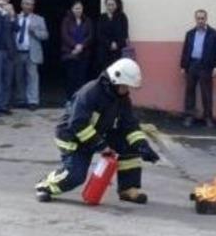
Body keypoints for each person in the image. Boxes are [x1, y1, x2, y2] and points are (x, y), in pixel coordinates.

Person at [35, 58, 161, 204]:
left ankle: (128, 189)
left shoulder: (121, 97)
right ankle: (45, 186)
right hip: (72, 138)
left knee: (129, 145)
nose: (127, 90)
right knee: (76, 176)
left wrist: (142, 145)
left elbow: (129, 124)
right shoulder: (90, 93)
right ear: (115, 80)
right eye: (125, 86)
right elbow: (78, 124)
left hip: (96, 134)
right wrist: (101, 145)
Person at [180, 9, 216, 128]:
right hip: (192, 65)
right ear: (195, 19)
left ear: (206, 19)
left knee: (206, 93)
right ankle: (189, 117)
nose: (200, 21)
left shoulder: (214, 34)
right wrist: (183, 66)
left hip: (206, 66)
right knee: (190, 92)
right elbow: (185, 50)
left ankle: (208, 118)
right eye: (198, 18)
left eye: (202, 18)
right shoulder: (190, 34)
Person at [12, 0, 48, 110]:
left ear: (33, 6)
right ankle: (21, 99)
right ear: (21, 5)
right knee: (19, 77)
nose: (28, 6)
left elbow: (45, 35)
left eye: (31, 4)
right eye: (26, 3)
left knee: (32, 77)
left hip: (32, 52)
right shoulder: (15, 17)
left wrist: (35, 32)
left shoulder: (39, 19)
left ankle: (33, 101)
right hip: (17, 52)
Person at [60, 0, 93, 100]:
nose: (78, 10)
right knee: (71, 79)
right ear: (72, 9)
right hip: (70, 53)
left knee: (82, 78)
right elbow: (64, 35)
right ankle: (70, 100)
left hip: (84, 53)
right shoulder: (66, 20)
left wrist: (82, 46)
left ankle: (81, 100)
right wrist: (75, 46)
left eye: (80, 8)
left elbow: (90, 36)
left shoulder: (87, 20)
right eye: (76, 8)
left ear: (82, 9)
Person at [95, 0, 129, 72]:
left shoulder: (122, 17)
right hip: (104, 51)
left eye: (112, 5)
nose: (110, 7)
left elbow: (124, 33)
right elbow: (99, 34)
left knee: (117, 73)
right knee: (106, 74)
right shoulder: (102, 17)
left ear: (117, 5)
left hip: (118, 51)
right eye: (108, 5)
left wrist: (116, 43)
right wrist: (110, 43)